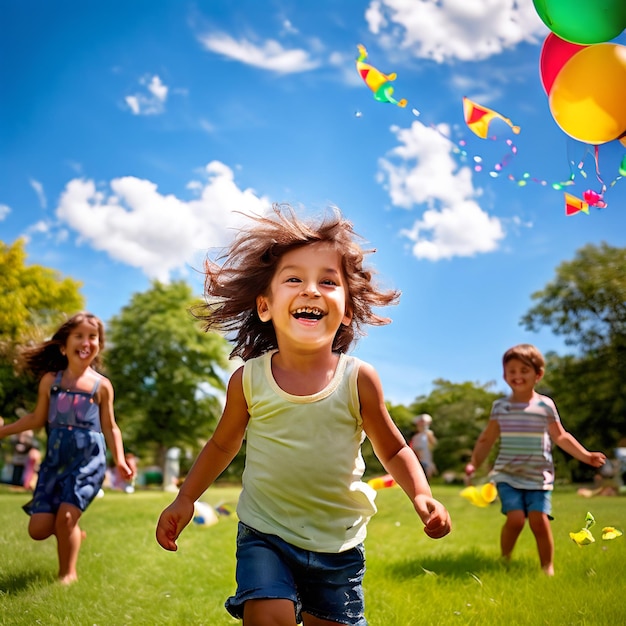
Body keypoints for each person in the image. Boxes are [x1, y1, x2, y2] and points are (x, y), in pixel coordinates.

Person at [156, 205, 451, 625]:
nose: (311, 290)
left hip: (338, 544)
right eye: (294, 278)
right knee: (266, 616)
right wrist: (186, 498)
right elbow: (223, 444)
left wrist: (421, 495)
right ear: (265, 305)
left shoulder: (358, 379)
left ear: (347, 309)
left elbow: (395, 447)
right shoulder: (248, 380)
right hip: (266, 534)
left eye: (328, 281)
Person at [0, 312, 134, 584]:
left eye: (93, 337)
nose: (86, 342)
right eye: (79, 336)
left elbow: (111, 427)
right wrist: (3, 431)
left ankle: (67, 574)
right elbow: (37, 419)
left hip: (88, 461)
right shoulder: (51, 381)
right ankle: (70, 531)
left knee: (66, 517)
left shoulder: (102, 386)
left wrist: (119, 459)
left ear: (99, 345)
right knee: (38, 529)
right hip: (56, 459)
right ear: (64, 345)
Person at [465, 343, 606, 576]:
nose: (517, 376)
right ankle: (505, 558)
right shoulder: (500, 407)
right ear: (504, 375)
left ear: (537, 374)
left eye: (524, 370)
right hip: (507, 474)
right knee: (517, 519)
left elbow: (561, 436)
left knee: (539, 520)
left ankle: (547, 567)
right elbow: (486, 439)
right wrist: (474, 463)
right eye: (512, 371)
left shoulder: (545, 405)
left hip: (539, 476)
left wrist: (586, 455)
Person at [409, 414, 437, 479]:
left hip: (427, 462)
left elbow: (434, 444)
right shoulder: (415, 438)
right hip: (418, 461)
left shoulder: (429, 434)